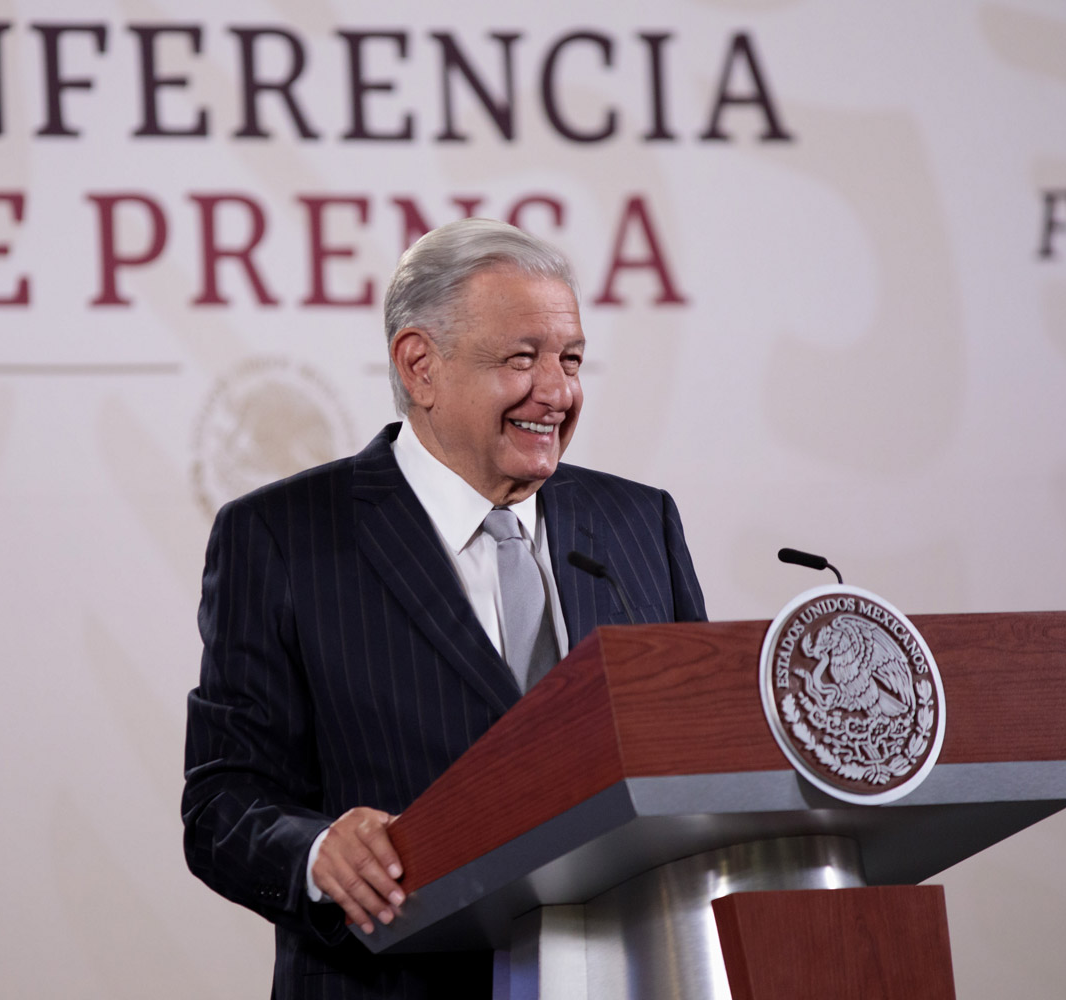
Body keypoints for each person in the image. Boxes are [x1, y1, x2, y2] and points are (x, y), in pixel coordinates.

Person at [183, 218, 706, 999]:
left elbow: (699, 759)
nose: (558, 393)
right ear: (420, 366)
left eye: (569, 359)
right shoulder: (283, 538)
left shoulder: (638, 524)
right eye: (521, 359)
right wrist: (318, 849)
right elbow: (223, 801)